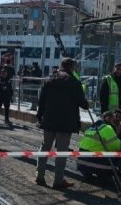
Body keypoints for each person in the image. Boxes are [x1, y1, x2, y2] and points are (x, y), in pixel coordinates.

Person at [36, 58, 89, 189]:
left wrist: (39, 116)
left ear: (60, 66)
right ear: (72, 68)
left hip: (49, 120)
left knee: (45, 148)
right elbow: (82, 103)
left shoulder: (49, 80)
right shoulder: (74, 82)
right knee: (62, 151)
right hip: (65, 123)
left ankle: (40, 176)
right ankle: (58, 181)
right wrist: (86, 104)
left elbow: (41, 100)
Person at [77, 110, 121, 179]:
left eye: (119, 117)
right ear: (111, 119)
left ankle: (88, 171)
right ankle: (105, 175)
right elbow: (117, 146)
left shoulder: (93, 126)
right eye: (115, 116)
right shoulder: (108, 128)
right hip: (94, 160)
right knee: (118, 156)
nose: (117, 119)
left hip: (81, 160)